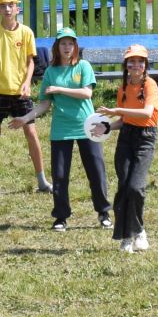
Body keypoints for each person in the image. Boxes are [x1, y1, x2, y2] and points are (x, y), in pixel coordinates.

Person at [37, 27, 110, 232]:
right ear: (57, 47)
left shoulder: (83, 66)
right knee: (60, 175)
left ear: (75, 46)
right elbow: (44, 104)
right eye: (63, 44)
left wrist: (60, 89)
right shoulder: (51, 72)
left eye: (70, 43)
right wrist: (25, 118)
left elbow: (86, 93)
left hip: (87, 126)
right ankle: (61, 217)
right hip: (61, 129)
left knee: (96, 171)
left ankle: (103, 212)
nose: (67, 47)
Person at [0, 0, 46, 198]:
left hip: (20, 92)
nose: (7, 9)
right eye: (3, 6)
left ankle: (42, 180)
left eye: (11, 5)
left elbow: (30, 61)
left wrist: (27, 83)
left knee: (31, 132)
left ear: (17, 8)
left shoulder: (26, 33)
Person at [101, 44, 158, 253]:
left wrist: (117, 110)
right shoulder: (124, 88)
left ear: (145, 65)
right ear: (125, 65)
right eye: (131, 61)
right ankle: (126, 236)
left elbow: (145, 114)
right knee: (124, 187)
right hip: (126, 137)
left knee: (136, 187)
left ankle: (140, 230)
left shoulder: (150, 86)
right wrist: (107, 126)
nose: (136, 65)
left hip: (145, 138)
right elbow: (124, 120)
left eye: (140, 61)